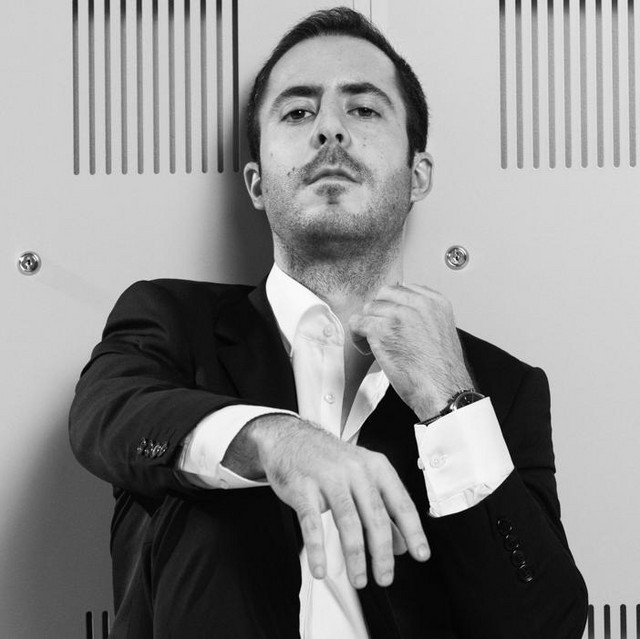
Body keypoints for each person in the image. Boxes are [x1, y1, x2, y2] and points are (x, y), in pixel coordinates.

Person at [69, 7, 588, 639]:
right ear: (257, 184)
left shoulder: (501, 387)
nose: (330, 130)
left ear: (417, 175)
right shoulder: (173, 321)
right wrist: (276, 442)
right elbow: (104, 417)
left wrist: (452, 404)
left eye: (363, 109)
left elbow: (546, 624)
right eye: (297, 113)